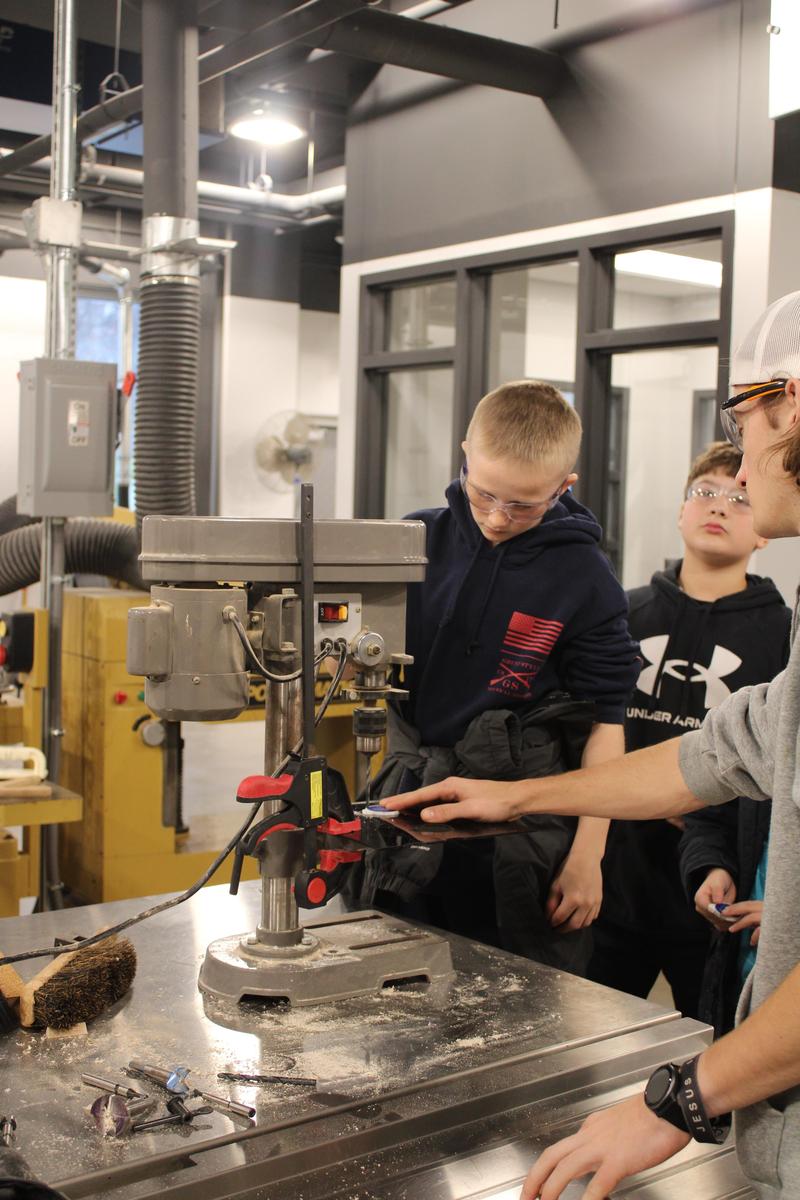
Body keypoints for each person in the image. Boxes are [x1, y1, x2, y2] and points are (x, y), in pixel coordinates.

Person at [382, 290, 800, 1199]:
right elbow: (711, 757)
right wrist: (516, 799)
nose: (732, 460)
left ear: (790, 412)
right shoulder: (423, 539)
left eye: (748, 416)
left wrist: (680, 1099)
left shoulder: (588, 575)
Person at [351, 380, 639, 973]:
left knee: (523, 980)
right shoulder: (416, 540)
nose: (498, 518)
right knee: (393, 973)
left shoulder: (584, 577)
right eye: (484, 494)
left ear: (566, 486)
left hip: (524, 818)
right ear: (464, 454)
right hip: (414, 790)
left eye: (524, 504)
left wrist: (590, 854)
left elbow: (606, 727)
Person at [590, 441, 791, 1019]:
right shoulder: (622, 615)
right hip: (611, 878)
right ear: (681, 512)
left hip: (714, 889)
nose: (720, 506)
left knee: (702, 1051)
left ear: (763, 535)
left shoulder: (782, 635)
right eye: (705, 492)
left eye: (741, 498)